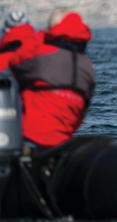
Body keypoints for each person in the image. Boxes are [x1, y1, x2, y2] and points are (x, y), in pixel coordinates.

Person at [4, 8, 96, 148]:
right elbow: (81, 114)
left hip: (30, 136)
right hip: (63, 142)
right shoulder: (87, 67)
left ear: (52, 30)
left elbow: (14, 61)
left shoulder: (41, 54)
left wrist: (37, 36)